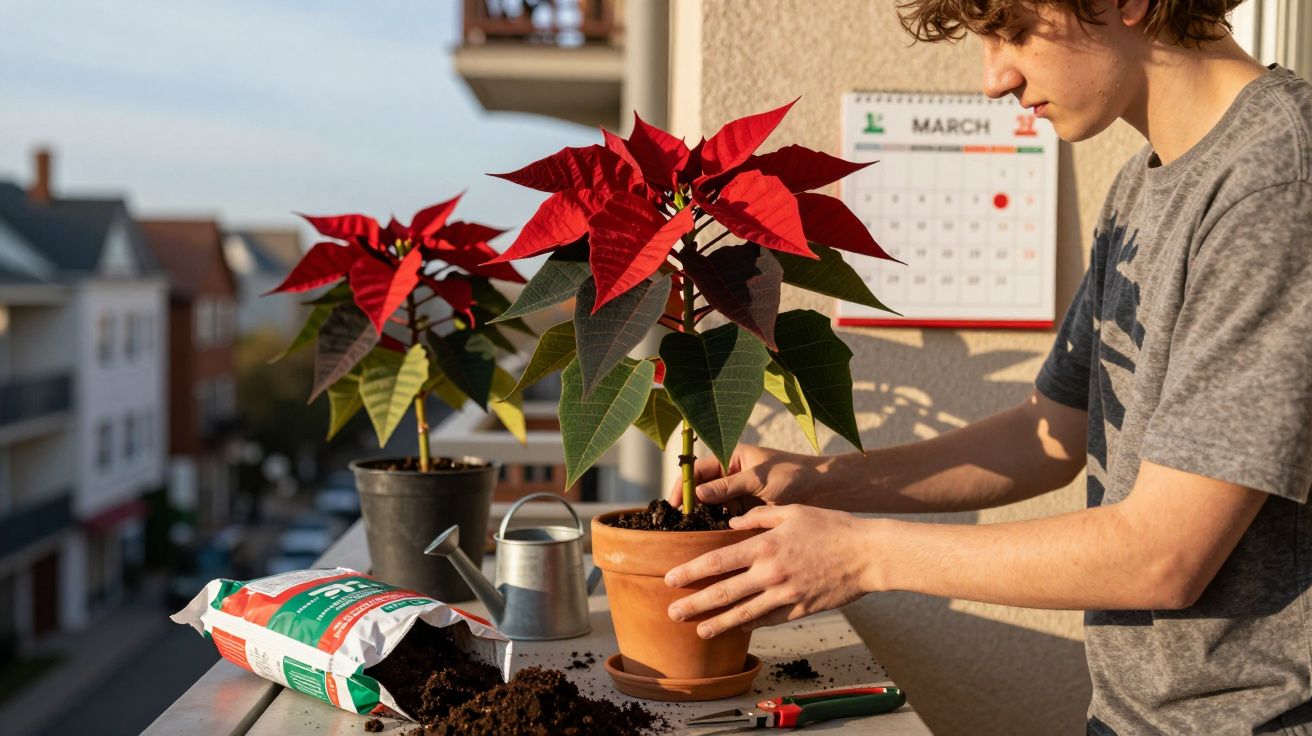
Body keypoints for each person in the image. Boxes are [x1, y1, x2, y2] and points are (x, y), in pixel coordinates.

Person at [662, 1, 1312, 732]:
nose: (994, 79)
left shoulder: (1275, 187)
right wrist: (815, 479)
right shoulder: (1141, 186)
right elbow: (1051, 434)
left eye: (1012, 31)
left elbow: (1165, 554)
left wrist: (858, 556)